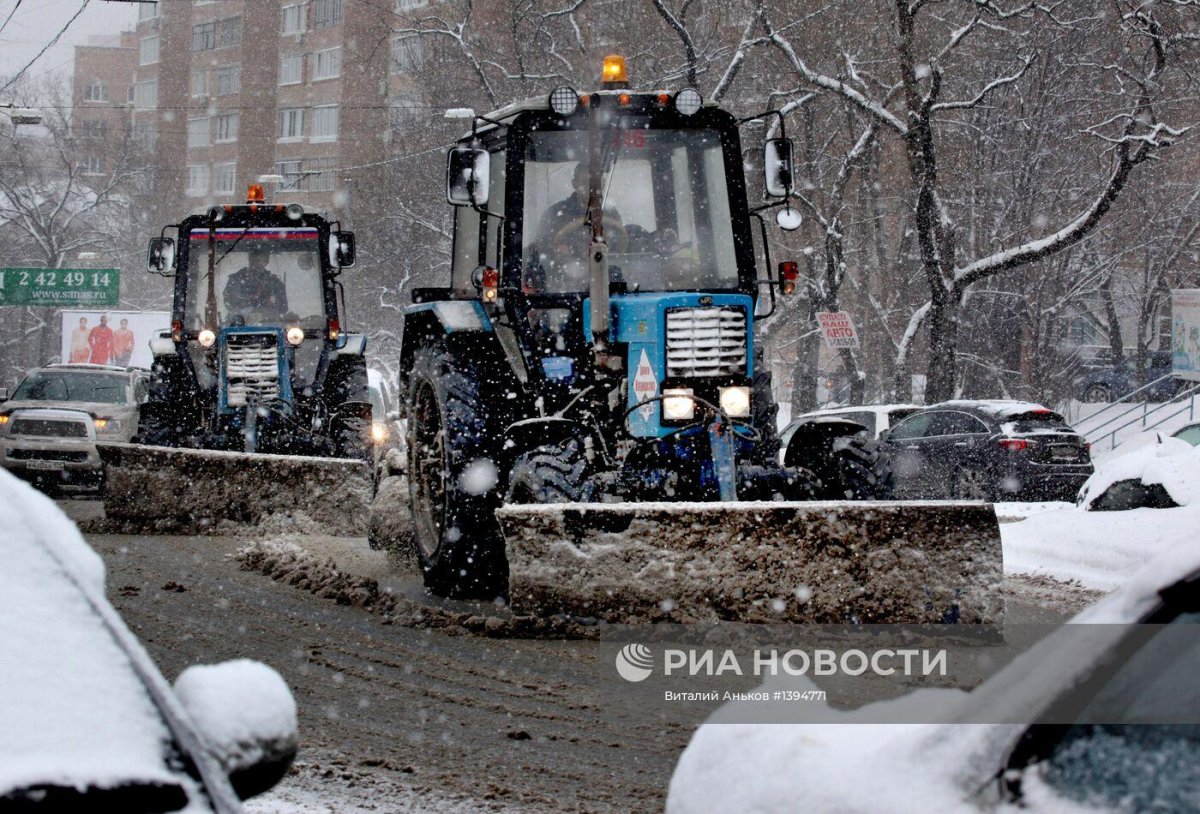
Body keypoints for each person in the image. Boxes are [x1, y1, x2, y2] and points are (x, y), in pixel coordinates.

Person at [529, 162, 624, 292]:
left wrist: (610, 243)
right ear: (574, 184)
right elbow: (541, 249)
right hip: (566, 285)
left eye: (597, 183)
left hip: (603, 277)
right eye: (585, 182)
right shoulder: (555, 214)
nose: (592, 188)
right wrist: (562, 249)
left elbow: (620, 245)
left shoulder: (611, 213)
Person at [223, 247, 288, 319]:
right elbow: (229, 301)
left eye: (259, 260)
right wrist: (243, 305)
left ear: (266, 262)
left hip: (270, 322)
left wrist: (272, 303)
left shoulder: (274, 282)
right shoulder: (236, 279)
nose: (256, 263)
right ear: (249, 260)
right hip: (240, 323)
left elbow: (283, 308)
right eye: (253, 259)